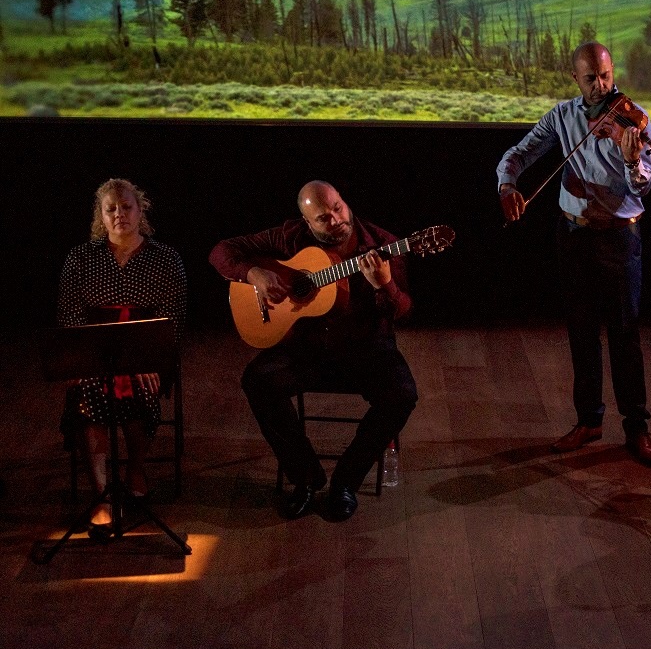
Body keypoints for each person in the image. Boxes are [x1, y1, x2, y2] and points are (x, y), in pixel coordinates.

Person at [209, 181, 418, 521]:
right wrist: (254, 274)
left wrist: (386, 285)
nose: (336, 219)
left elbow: (405, 312)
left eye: (339, 207)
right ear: (307, 222)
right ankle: (305, 477)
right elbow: (220, 252)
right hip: (306, 348)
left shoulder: (384, 245)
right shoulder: (290, 237)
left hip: (364, 348)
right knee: (257, 381)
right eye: (323, 218)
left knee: (402, 396)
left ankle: (346, 482)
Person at [497, 41, 651, 467]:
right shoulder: (563, 116)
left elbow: (642, 186)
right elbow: (519, 154)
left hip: (619, 236)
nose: (601, 85)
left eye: (606, 75)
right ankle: (588, 420)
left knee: (625, 333)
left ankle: (637, 428)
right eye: (591, 78)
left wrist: (631, 161)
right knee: (582, 332)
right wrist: (507, 185)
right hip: (573, 235)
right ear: (575, 78)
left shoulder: (633, 119)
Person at [57, 178, 187, 527]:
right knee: (87, 399)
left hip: (147, 354)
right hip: (96, 354)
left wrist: (151, 361)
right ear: (101, 215)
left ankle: (136, 470)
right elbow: (70, 315)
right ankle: (101, 493)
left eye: (126, 207)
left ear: (139, 209)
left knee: (140, 390)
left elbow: (173, 320)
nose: (119, 215)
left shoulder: (165, 258)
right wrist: (83, 360)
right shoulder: (81, 257)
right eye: (110, 209)